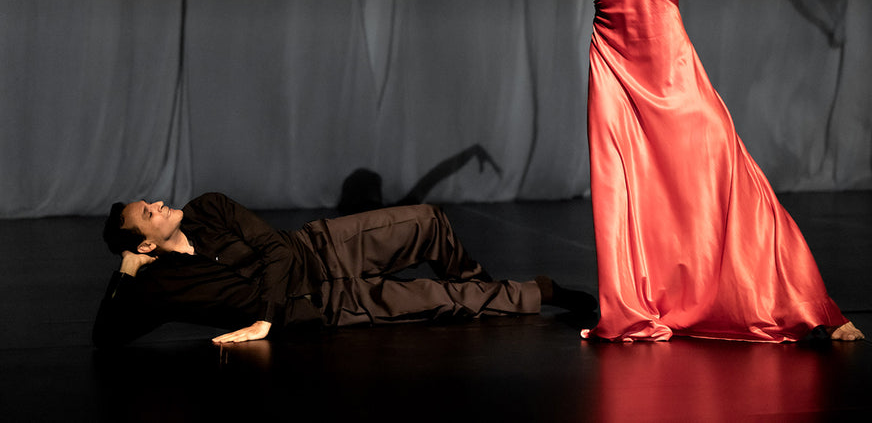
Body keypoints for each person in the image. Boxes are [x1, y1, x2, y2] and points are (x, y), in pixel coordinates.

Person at [370, 0, 868, 343]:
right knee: (630, 193)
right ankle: (639, 307)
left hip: (674, 73)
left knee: (727, 176)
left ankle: (806, 304)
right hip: (614, 74)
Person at [94, 192, 595, 347]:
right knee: (442, 301)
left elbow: (277, 251)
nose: (157, 203)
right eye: (148, 213)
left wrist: (264, 318)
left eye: (150, 201)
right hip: (328, 306)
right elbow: (106, 337)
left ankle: (480, 282)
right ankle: (540, 292)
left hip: (323, 249)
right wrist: (126, 271)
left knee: (427, 220)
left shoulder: (208, 207)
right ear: (145, 241)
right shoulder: (163, 287)